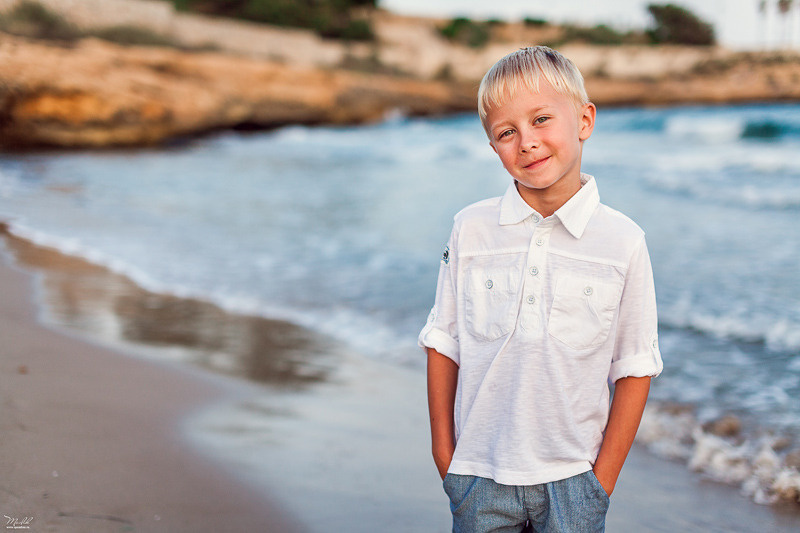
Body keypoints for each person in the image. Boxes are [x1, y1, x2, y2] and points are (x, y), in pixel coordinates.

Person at [418, 46, 663, 532]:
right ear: (493, 147)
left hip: (574, 482)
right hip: (479, 476)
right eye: (506, 132)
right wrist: (445, 455)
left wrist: (600, 483)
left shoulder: (623, 241)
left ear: (585, 121)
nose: (526, 141)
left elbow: (634, 366)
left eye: (542, 119)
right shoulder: (471, 229)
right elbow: (444, 341)